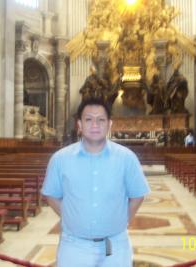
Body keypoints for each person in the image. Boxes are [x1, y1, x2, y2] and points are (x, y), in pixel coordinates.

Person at [42, 97, 150, 267]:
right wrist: (70, 216)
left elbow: (137, 196)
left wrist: (122, 220)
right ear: (79, 124)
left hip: (115, 246)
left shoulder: (127, 158)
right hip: (73, 246)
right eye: (88, 119)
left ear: (109, 124)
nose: (95, 125)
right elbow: (51, 195)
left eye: (101, 120)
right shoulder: (60, 159)